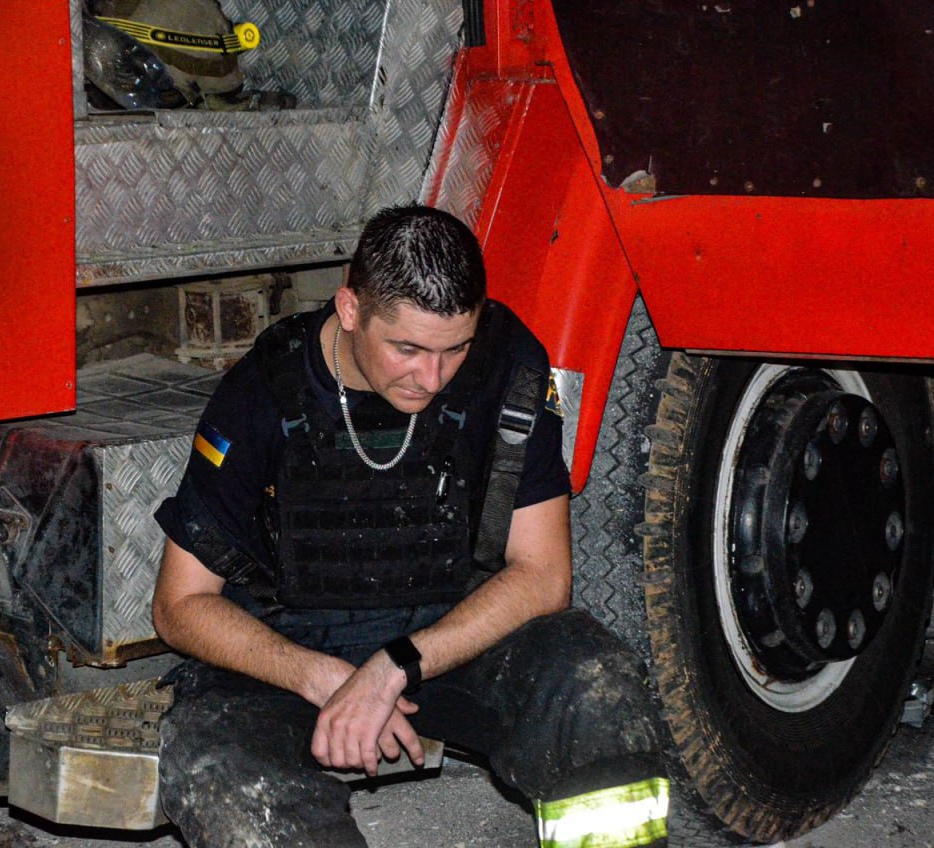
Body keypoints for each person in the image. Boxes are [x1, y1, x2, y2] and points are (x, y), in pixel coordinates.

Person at [152, 204, 669, 848]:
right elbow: (179, 606)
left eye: (455, 349)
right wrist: (327, 680)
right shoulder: (263, 390)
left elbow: (544, 575)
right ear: (350, 309)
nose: (432, 378)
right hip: (295, 650)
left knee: (596, 687)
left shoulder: (508, 364)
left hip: (448, 637)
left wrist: (394, 668)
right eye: (408, 349)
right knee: (216, 765)